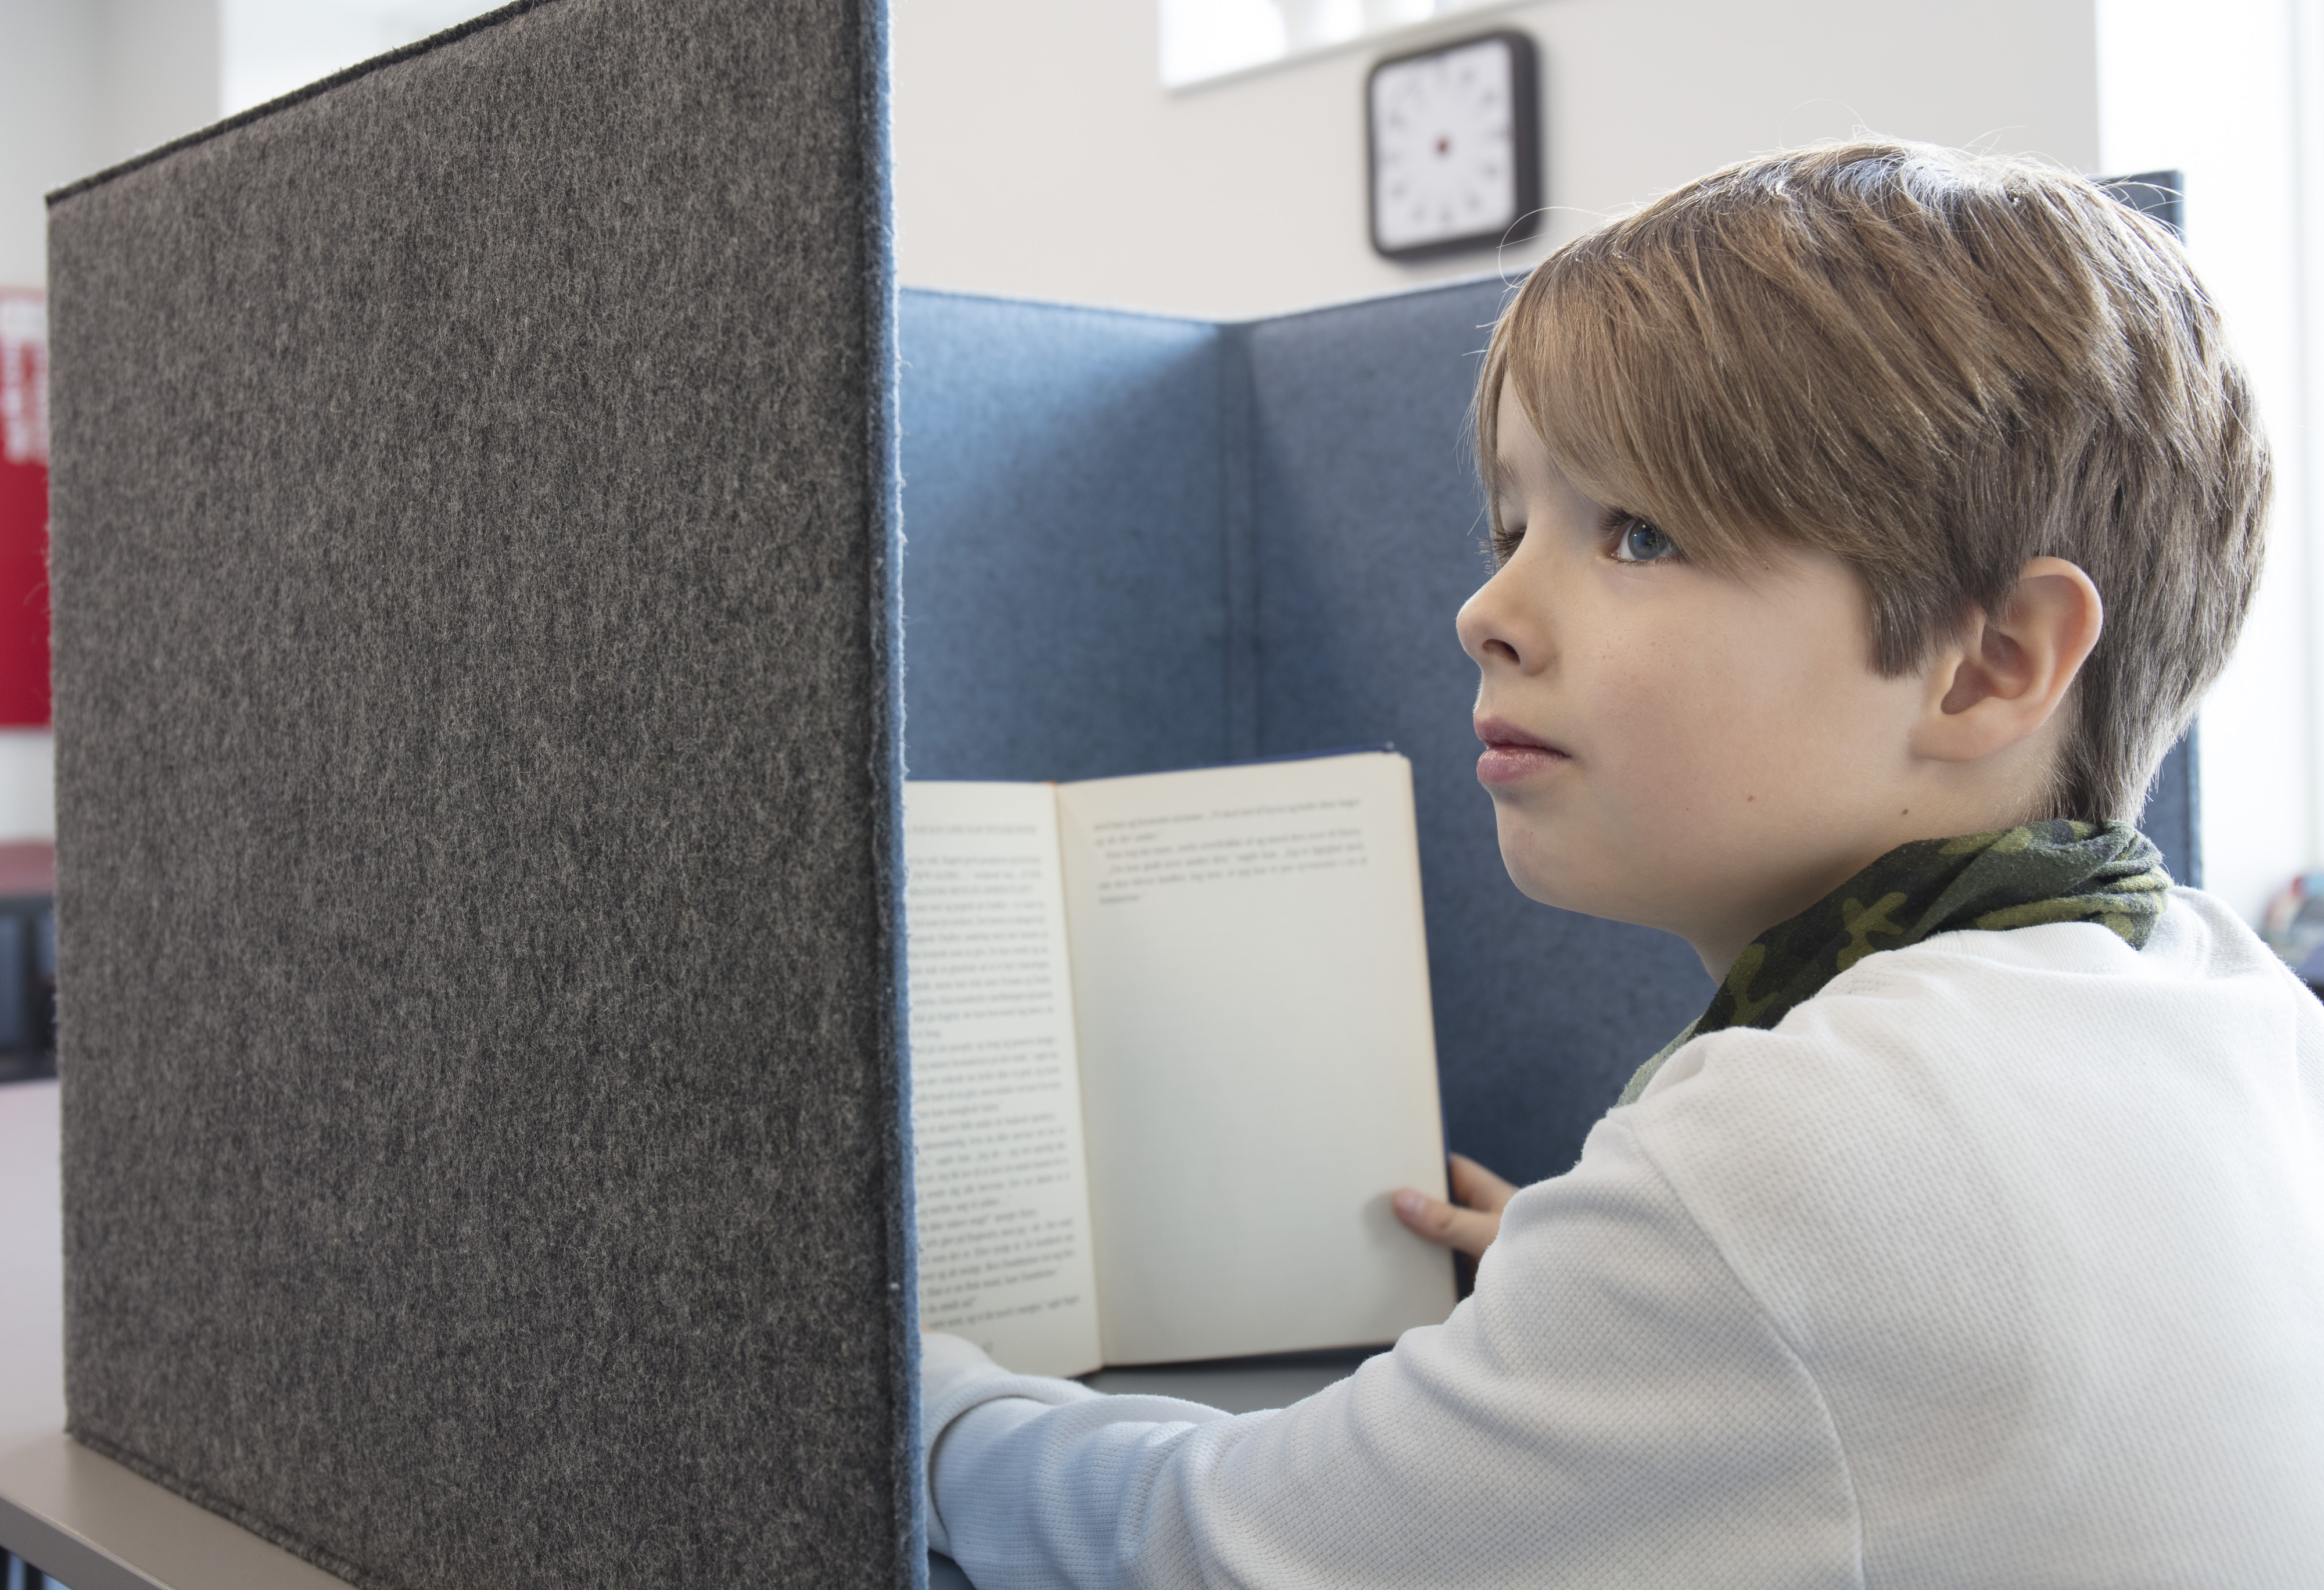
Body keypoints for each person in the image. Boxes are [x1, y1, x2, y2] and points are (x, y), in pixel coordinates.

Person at [919, 139, 2324, 1587]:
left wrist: (912, 1397)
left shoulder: (1800, 1154)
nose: (1484, 609)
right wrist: (1615, 1282)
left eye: (1639, 534)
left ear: (1989, 660)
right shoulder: (2222, 991)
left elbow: (1204, 1550)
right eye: (1513, 525)